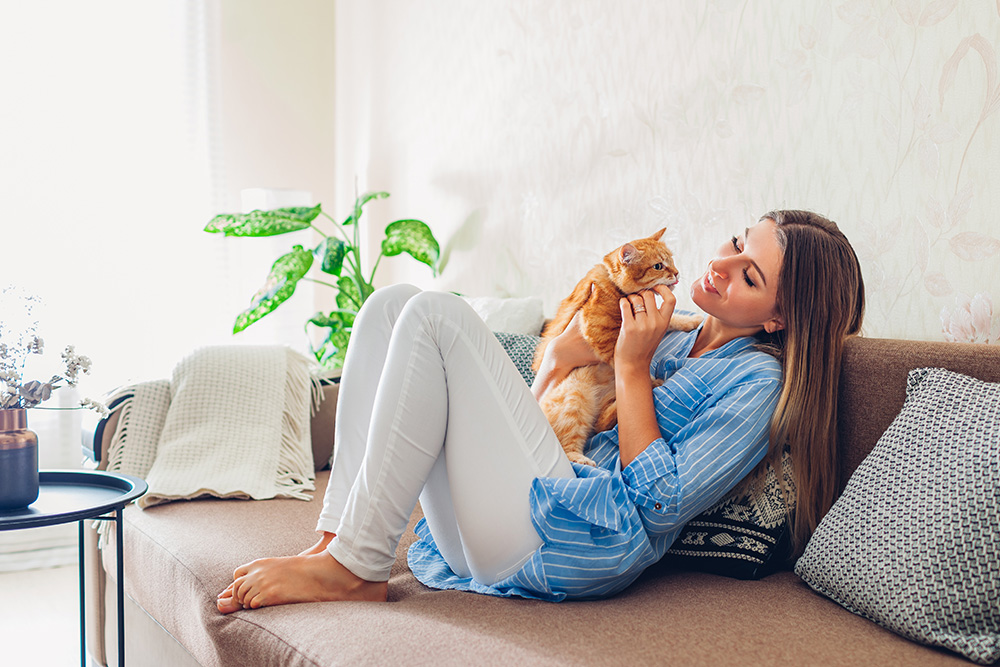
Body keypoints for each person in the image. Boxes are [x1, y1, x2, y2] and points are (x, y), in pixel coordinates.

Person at [216, 209, 864, 611]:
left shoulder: (758, 384)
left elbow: (660, 505)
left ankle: (353, 570)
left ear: (780, 317)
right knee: (390, 305)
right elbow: (547, 388)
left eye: (749, 275)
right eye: (733, 242)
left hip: (579, 537)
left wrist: (631, 369)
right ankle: (338, 541)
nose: (721, 264)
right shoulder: (678, 330)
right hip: (518, 505)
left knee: (437, 314)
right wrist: (572, 349)